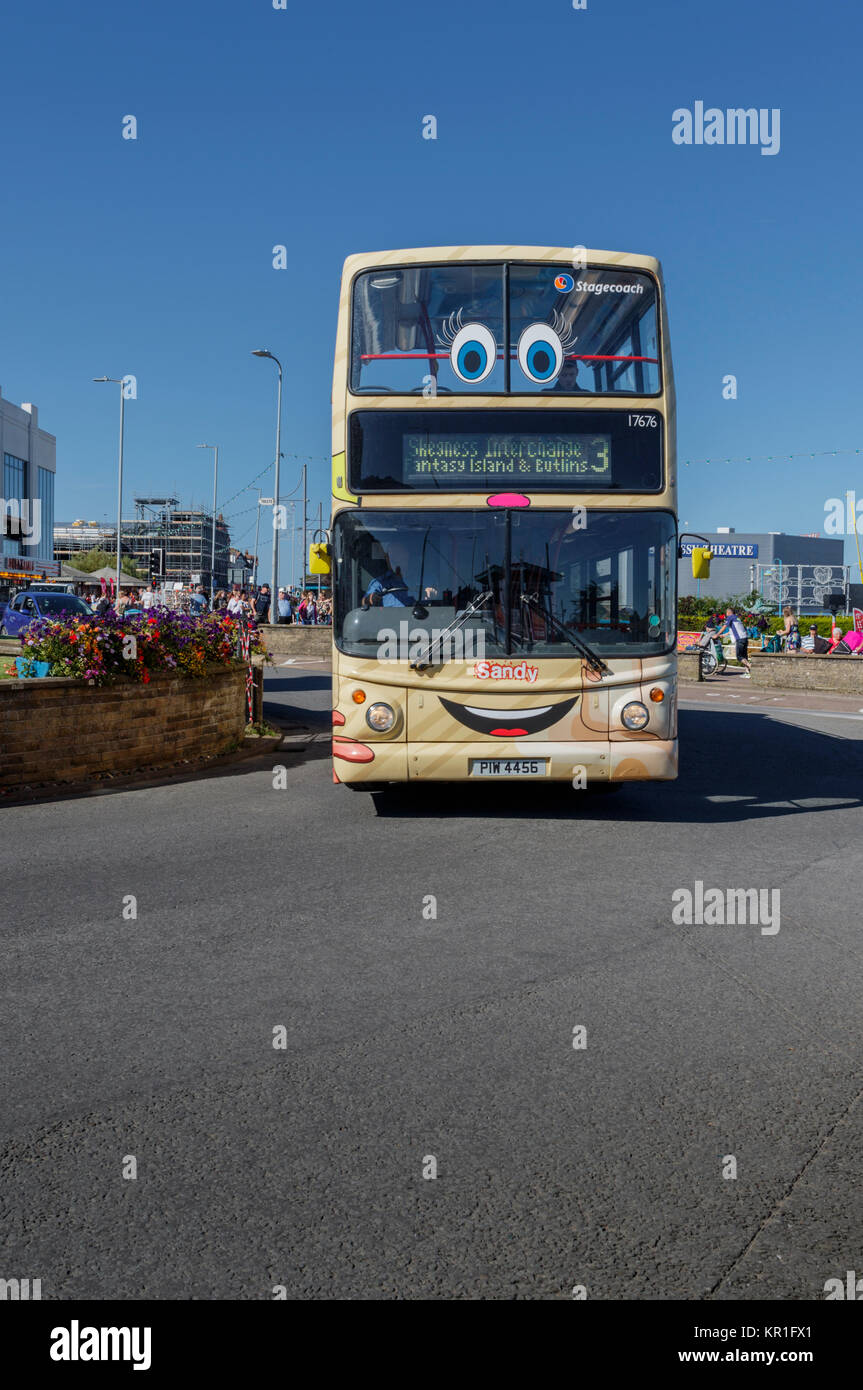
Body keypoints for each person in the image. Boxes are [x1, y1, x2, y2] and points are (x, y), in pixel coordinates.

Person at [718, 607, 751, 676]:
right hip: (745, 638)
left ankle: (750, 666)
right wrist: (724, 635)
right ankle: (748, 672)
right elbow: (734, 630)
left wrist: (717, 634)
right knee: (744, 656)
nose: (726, 615)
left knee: (739, 657)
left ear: (729, 612)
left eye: (726, 613)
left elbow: (724, 626)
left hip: (740, 639)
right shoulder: (737, 618)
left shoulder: (730, 617)